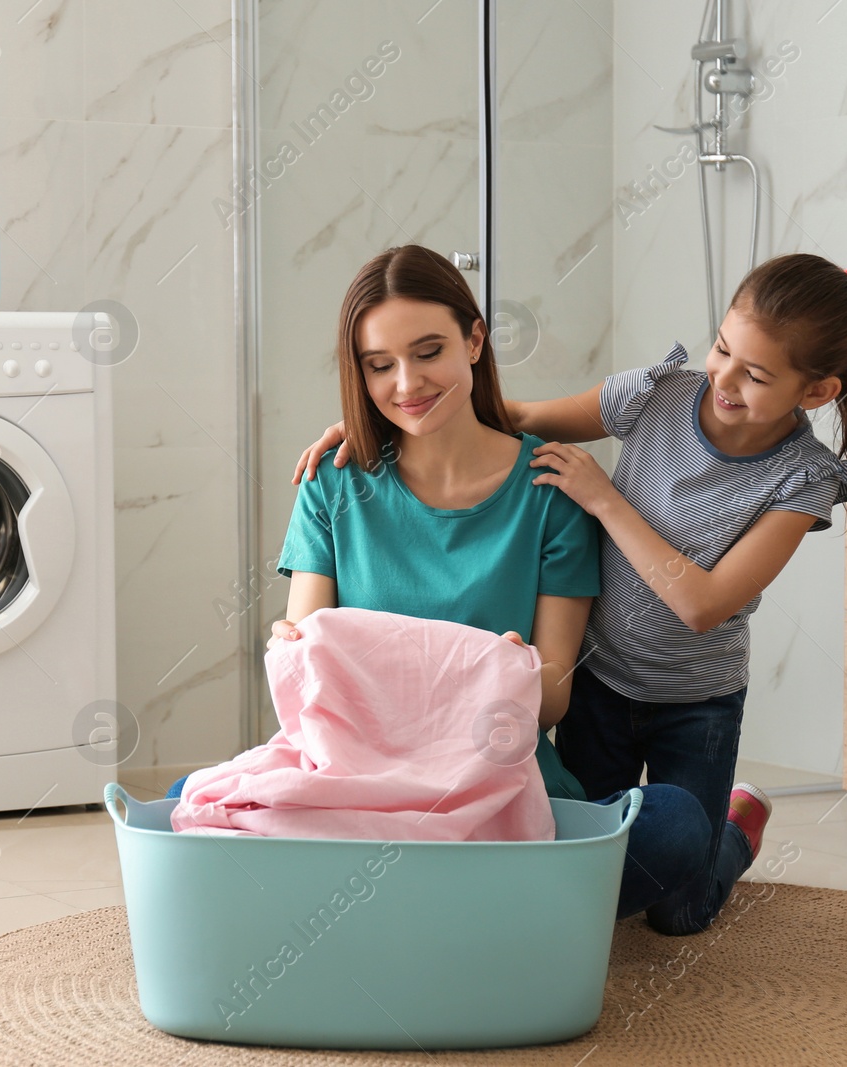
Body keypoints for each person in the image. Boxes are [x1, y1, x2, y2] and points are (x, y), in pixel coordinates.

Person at [294, 252, 847, 934]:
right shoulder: (657, 395)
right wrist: (373, 421)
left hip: (694, 699)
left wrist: (604, 500)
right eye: (722, 349)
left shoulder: (802, 479)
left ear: (816, 391)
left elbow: (704, 605)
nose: (724, 379)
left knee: (681, 907)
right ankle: (502, 904)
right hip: (599, 683)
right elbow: (510, 413)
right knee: (590, 855)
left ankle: (730, 832)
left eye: (755, 374)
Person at [170, 244, 710, 926]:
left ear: (475, 339)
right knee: (188, 800)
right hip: (356, 787)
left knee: (675, 823)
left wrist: (501, 681)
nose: (407, 383)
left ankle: (392, 912)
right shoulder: (332, 485)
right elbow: (308, 684)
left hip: (498, 789)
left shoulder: (552, 494)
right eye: (379, 365)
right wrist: (305, 653)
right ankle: (478, 917)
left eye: (429, 351)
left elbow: (548, 698)